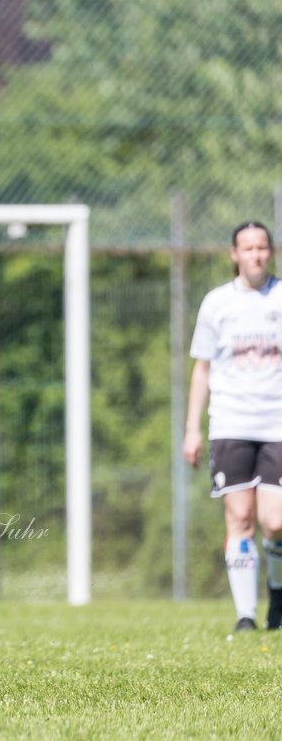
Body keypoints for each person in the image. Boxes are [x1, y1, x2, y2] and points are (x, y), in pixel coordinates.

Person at [184, 221, 282, 633]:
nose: (256, 254)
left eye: (262, 247)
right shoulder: (216, 303)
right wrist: (192, 429)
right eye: (248, 247)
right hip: (231, 422)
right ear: (234, 254)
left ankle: (276, 597)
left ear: (271, 252)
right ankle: (245, 615)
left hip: (277, 421)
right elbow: (202, 369)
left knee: (275, 522)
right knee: (239, 515)